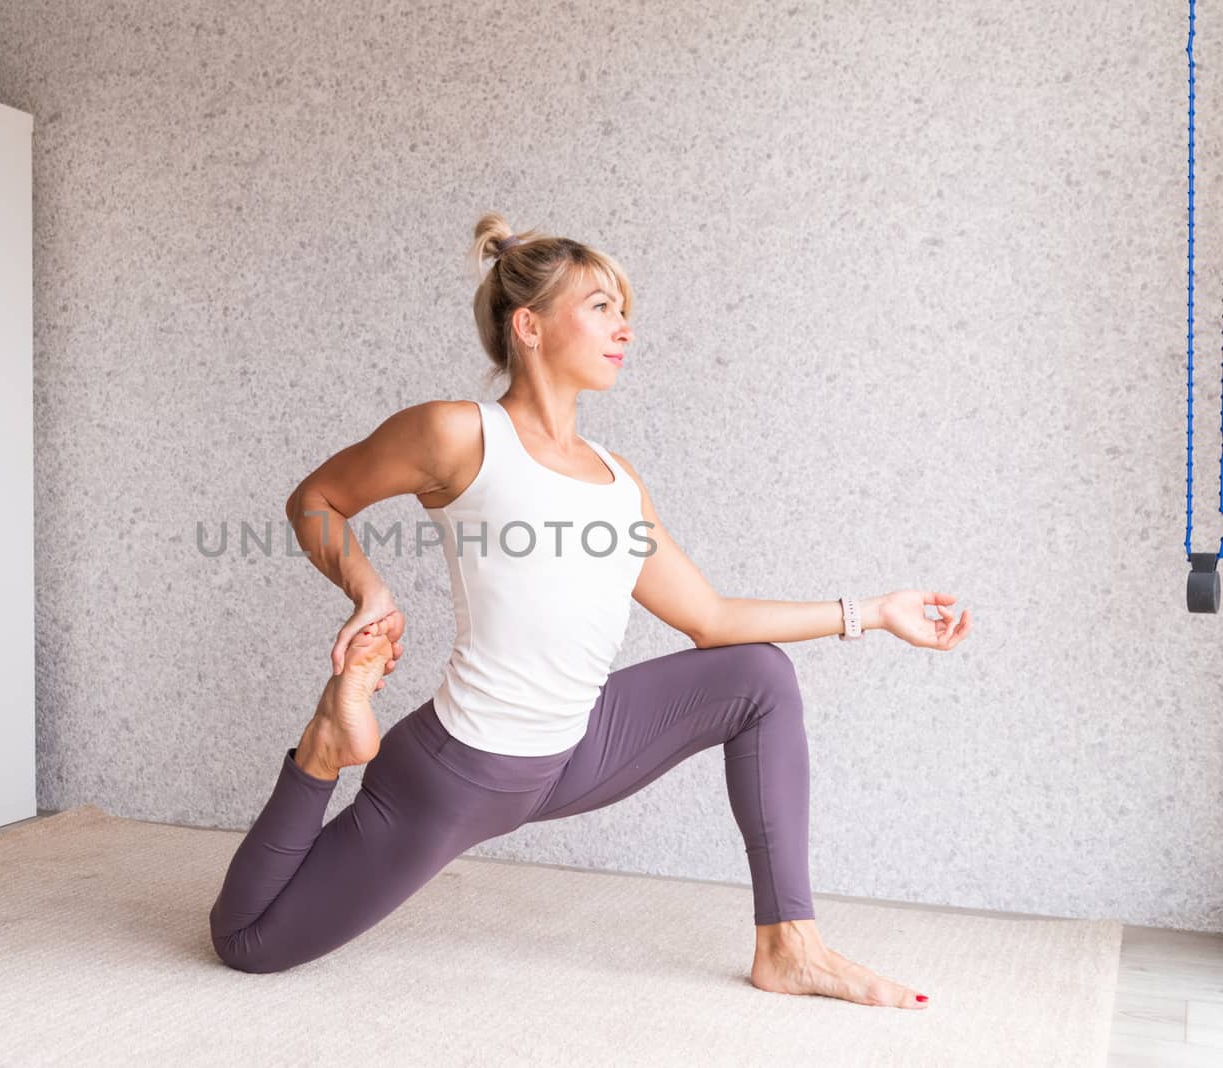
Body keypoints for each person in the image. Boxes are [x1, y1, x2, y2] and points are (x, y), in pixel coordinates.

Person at [208, 213, 972, 1008]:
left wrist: (876, 611)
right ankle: (324, 752)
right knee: (247, 943)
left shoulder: (617, 478)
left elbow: (709, 617)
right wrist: (369, 588)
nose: (625, 328)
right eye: (602, 307)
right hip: (466, 770)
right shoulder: (458, 434)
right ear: (528, 326)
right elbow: (318, 499)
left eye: (623, 310)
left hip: (576, 753)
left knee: (759, 677)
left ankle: (790, 945)